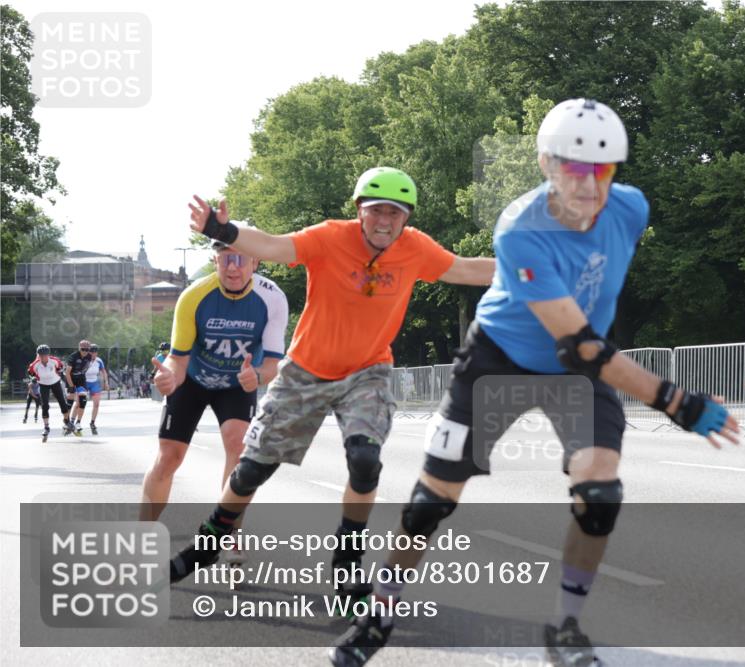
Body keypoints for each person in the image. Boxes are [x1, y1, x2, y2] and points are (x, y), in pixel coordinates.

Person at [330, 100, 740, 667]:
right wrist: (675, 401)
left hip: (576, 370)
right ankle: (380, 610)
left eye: (602, 170)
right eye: (574, 168)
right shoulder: (520, 230)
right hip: (501, 356)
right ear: (547, 164)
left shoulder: (631, 208)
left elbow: (589, 332)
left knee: (600, 496)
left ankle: (565, 628)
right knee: (431, 503)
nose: (589, 186)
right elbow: (582, 345)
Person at [167, 167, 495, 594]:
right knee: (251, 471)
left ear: (407, 218)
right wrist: (221, 230)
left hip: (368, 371)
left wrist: (537, 270)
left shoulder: (415, 248)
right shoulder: (329, 238)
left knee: (365, 460)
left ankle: (347, 563)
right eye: (376, 211)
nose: (384, 222)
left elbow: (466, 269)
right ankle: (209, 543)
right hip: (306, 370)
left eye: (395, 214)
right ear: (359, 211)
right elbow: (272, 245)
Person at [141, 225, 290, 573]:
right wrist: (168, 377)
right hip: (193, 379)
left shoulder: (273, 298)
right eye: (225, 259)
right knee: (169, 457)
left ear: (255, 261)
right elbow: (177, 359)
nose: (233, 267)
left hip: (239, 380)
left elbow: (273, 364)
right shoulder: (194, 296)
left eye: (241, 259)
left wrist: (259, 377)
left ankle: (231, 535)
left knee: (238, 447)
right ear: (215, 260)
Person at [27, 345, 76, 440]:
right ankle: (46, 427)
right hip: (43, 384)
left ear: (48, 355)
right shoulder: (34, 365)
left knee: (62, 403)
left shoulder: (54, 361)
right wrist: (33, 378)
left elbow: (61, 369)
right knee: (45, 405)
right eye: (40, 355)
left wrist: (62, 375)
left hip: (55, 383)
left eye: (44, 355)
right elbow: (31, 373)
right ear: (38, 355)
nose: (43, 357)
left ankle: (67, 421)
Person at [64, 339, 90, 435]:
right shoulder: (73, 357)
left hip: (81, 379)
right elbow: (67, 373)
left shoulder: (89, 356)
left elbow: (86, 368)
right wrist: (71, 386)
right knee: (70, 401)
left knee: (83, 399)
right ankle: (67, 422)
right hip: (70, 378)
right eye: (83, 349)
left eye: (87, 350)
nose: (85, 352)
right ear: (79, 348)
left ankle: (78, 422)